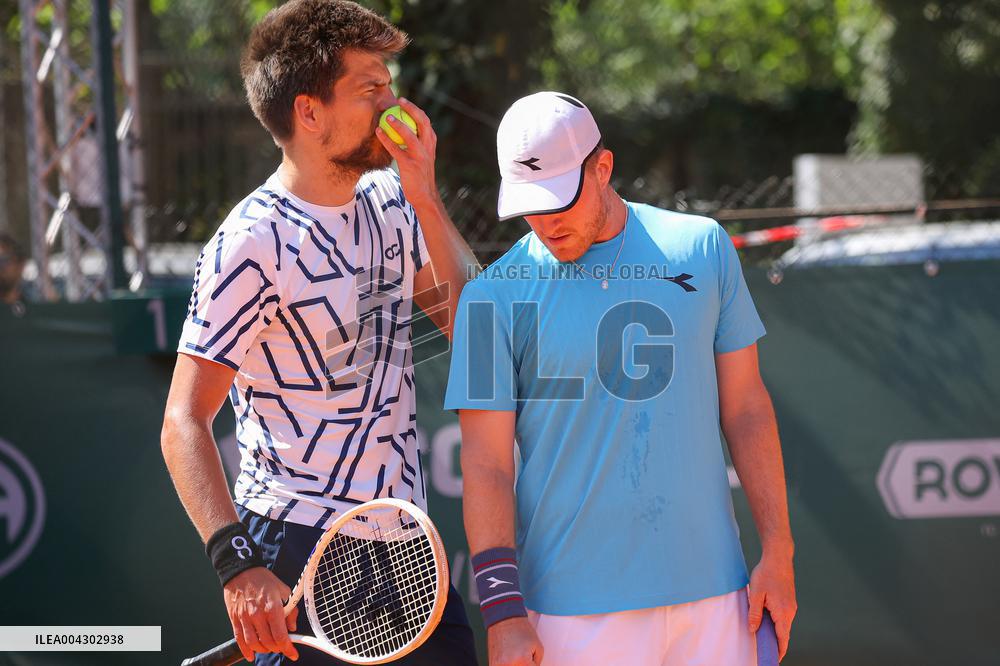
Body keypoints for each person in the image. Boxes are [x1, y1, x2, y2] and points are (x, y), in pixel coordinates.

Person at [160, 2, 478, 664]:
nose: (395, 104)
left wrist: (425, 194)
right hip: (296, 543)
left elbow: (475, 328)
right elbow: (183, 421)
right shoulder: (251, 243)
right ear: (309, 113)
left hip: (409, 544)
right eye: (371, 88)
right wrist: (236, 564)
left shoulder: (393, 200)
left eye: (388, 83)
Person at [446, 91, 796, 666]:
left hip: (716, 599)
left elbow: (747, 408)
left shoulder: (703, 246)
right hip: (565, 615)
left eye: (560, 197)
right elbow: (486, 464)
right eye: (530, 204)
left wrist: (778, 553)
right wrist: (504, 613)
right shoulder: (491, 298)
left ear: (603, 167)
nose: (546, 221)